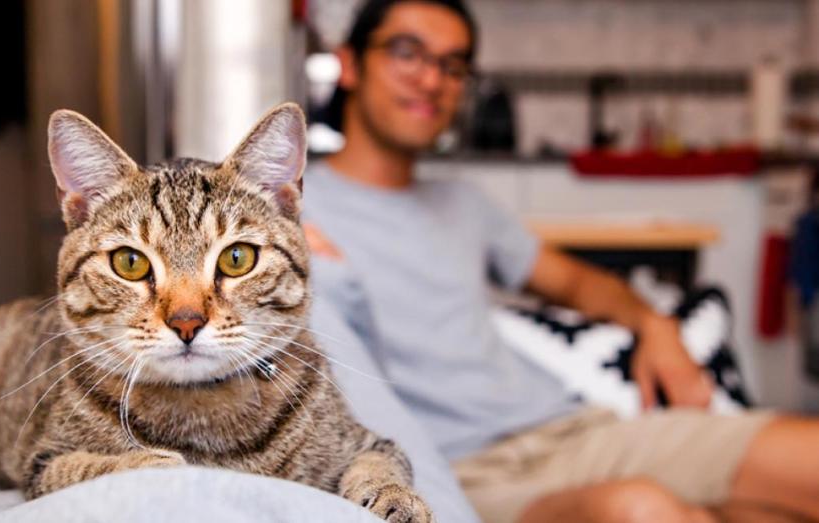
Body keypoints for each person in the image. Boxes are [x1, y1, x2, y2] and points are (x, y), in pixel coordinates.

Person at [301, 1, 819, 521]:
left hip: (574, 432)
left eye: (453, 64)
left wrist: (654, 324)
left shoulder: (466, 203)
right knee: (643, 511)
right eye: (407, 52)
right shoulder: (291, 216)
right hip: (465, 472)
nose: (431, 79)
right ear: (349, 64)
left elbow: (574, 282)